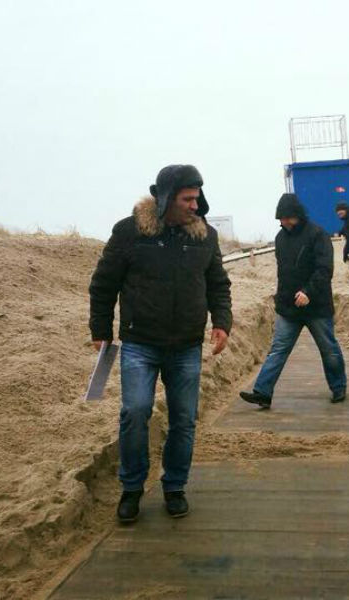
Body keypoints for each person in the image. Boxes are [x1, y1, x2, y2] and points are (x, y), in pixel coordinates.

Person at [89, 164, 232, 522]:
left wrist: (222, 322)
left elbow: (218, 284)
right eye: (187, 199)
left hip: (186, 345)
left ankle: (174, 487)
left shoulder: (205, 236)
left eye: (197, 198)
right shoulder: (129, 232)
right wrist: (101, 329)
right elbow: (104, 284)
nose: (195, 205)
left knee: (184, 420)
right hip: (140, 343)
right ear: (166, 198)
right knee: (135, 412)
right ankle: (132, 489)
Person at [239, 193, 347, 409]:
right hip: (288, 308)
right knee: (278, 349)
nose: (285, 222)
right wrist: (281, 299)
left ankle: (338, 387)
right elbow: (283, 274)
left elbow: (324, 269)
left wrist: (308, 292)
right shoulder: (280, 238)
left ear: (298, 215)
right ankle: (262, 392)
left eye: (288, 217)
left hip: (317, 306)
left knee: (328, 348)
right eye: (281, 218)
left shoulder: (317, 234)